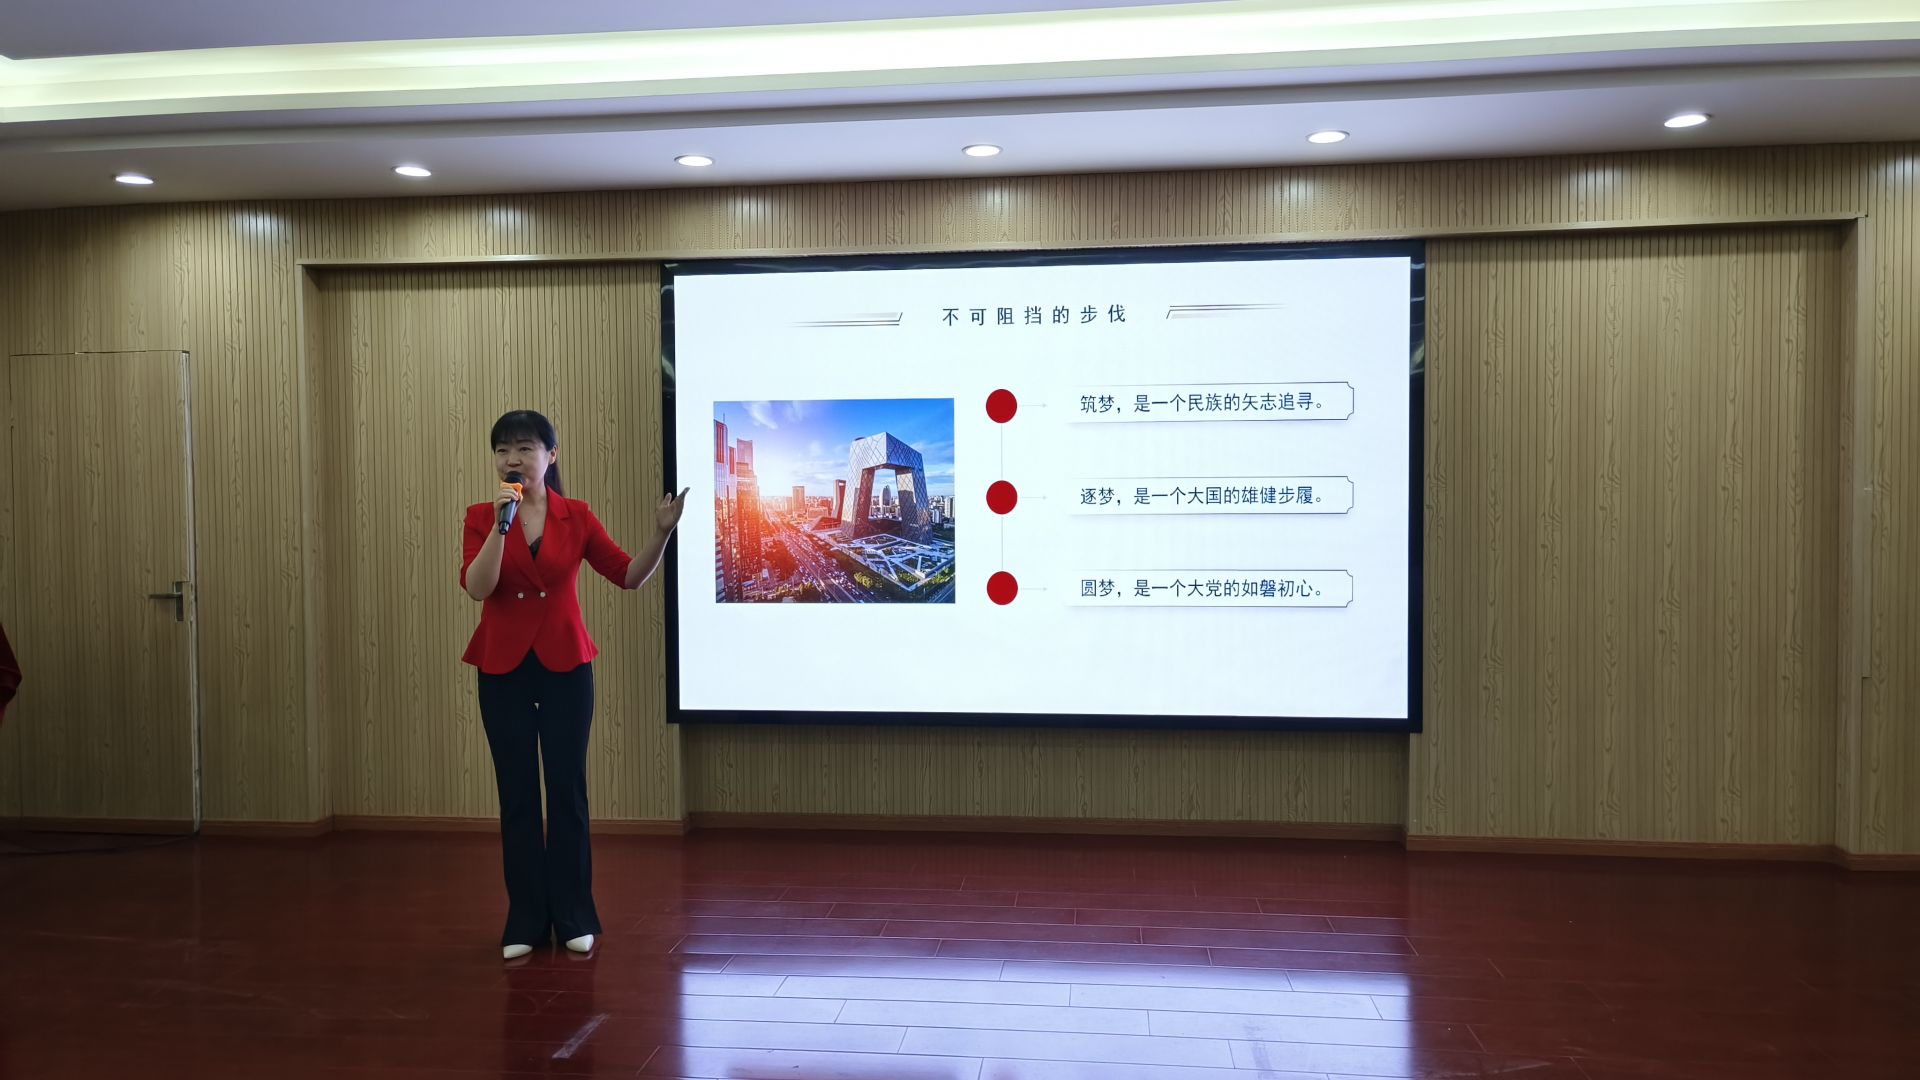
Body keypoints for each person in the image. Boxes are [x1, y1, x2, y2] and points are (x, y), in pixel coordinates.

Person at [460, 409, 687, 960]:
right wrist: (501, 528)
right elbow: (477, 587)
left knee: (567, 790)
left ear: (551, 456)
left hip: (566, 667)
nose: (512, 459)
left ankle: (574, 915)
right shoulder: (481, 517)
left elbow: (628, 575)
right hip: (503, 668)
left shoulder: (576, 515)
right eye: (502, 451)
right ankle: (525, 920)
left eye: (525, 448)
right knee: (516, 793)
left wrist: (662, 533)